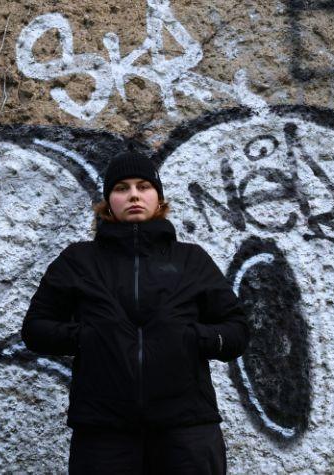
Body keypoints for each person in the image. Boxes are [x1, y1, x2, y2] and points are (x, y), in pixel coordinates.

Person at [21, 151, 249, 474]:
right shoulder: (79, 260)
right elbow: (35, 329)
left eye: (143, 186)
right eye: (122, 188)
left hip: (187, 430)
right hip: (104, 432)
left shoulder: (191, 261)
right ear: (108, 201)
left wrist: (192, 337)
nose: (133, 195)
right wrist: (88, 336)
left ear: (158, 198)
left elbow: (237, 331)